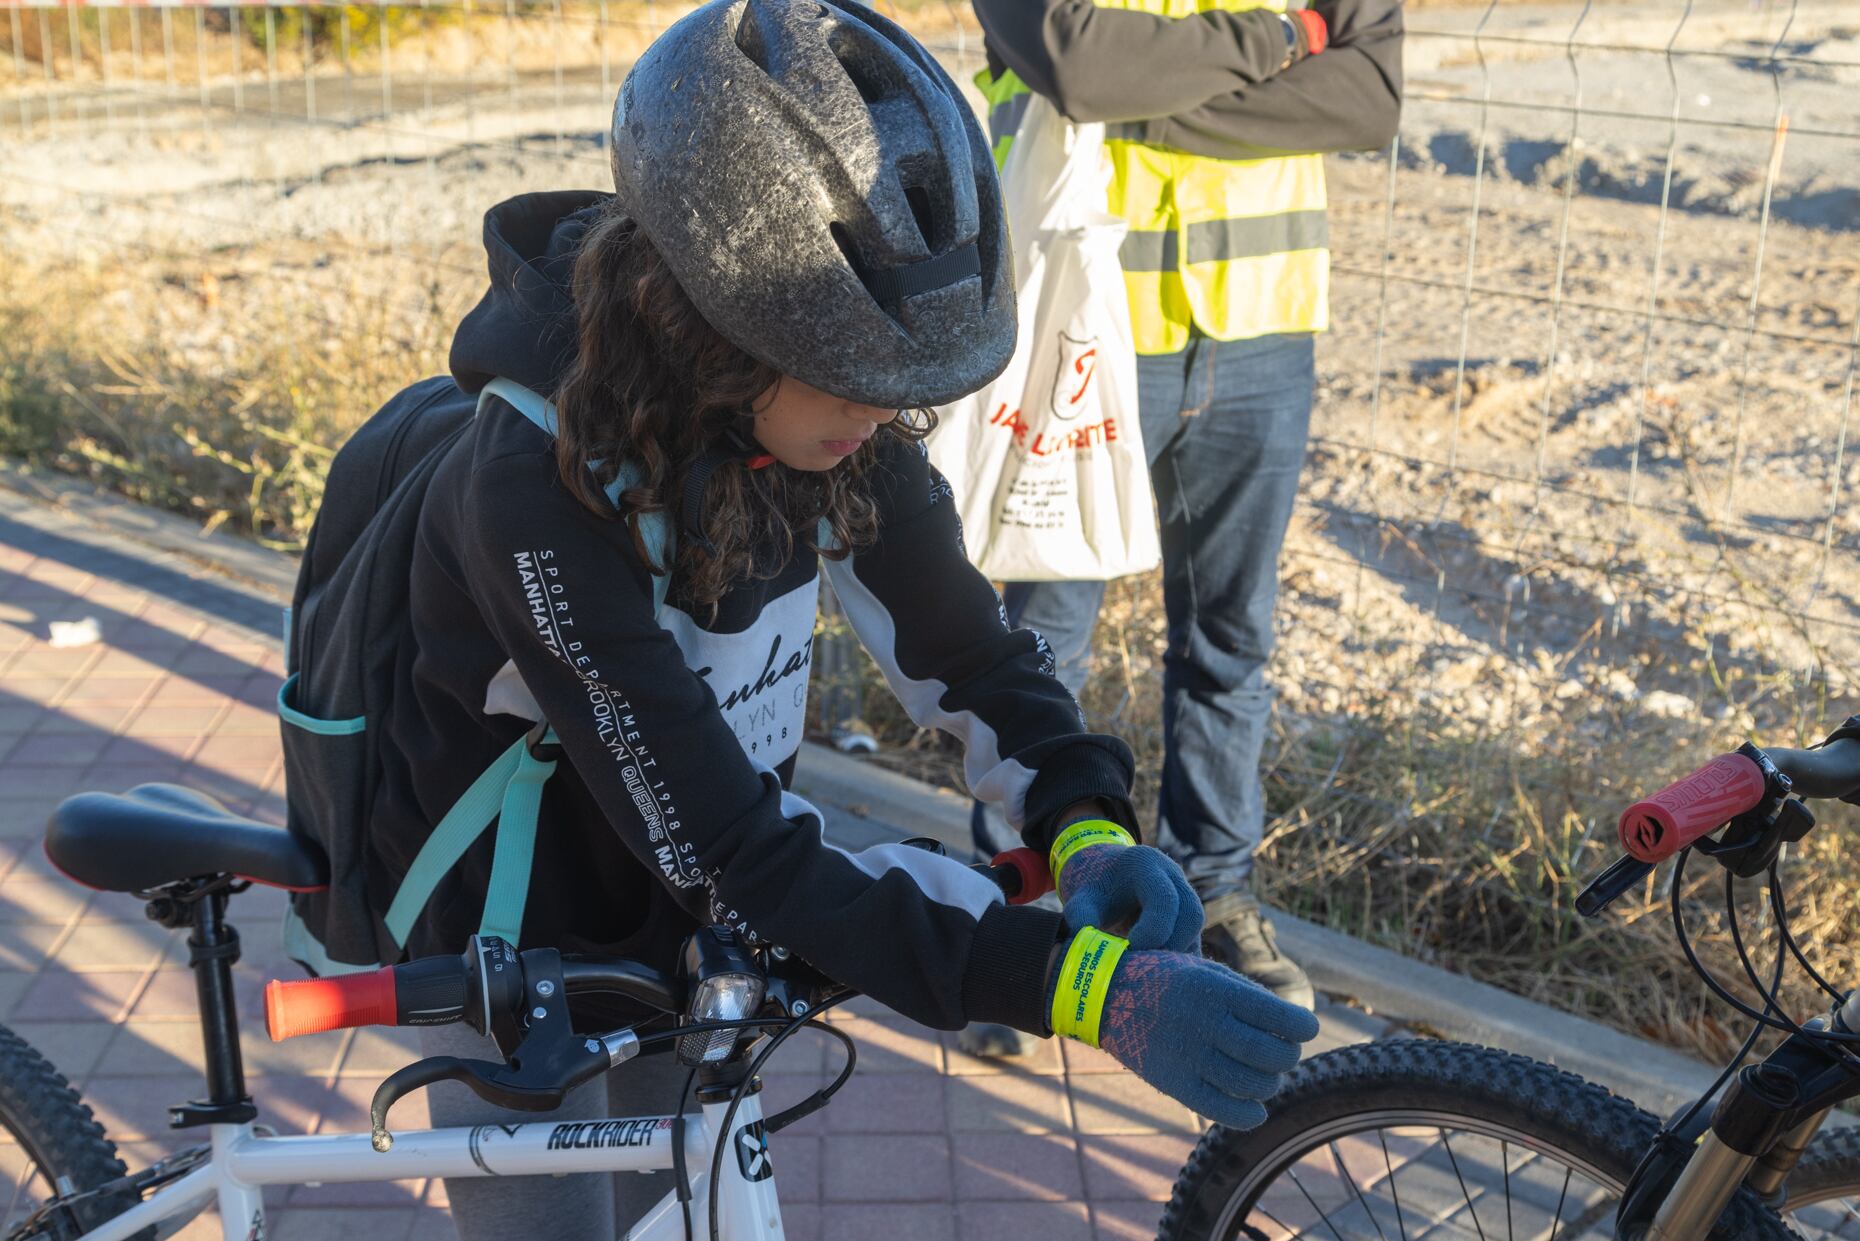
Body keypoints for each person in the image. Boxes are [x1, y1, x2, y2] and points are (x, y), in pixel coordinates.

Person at [364, 0, 1319, 1235]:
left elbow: (971, 652)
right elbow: (738, 854)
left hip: (690, 897)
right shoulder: (529, 485)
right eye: (864, 378)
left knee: (691, 1207)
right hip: (515, 926)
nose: (888, 413)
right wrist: (1078, 989)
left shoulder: (819, 412)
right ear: (710, 318)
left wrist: (1084, 824)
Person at [961, 0, 1404, 1051]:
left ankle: (1214, 893)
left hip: (1258, 331)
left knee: (1230, 641)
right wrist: (1279, 41)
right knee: (1037, 649)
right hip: (1083, 319)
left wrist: (1148, 89)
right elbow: (1074, 63)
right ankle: (1025, 911)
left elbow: (1370, 95)